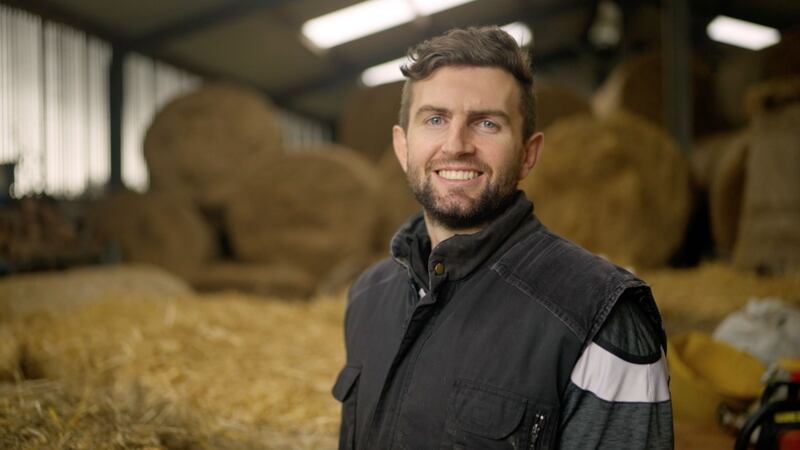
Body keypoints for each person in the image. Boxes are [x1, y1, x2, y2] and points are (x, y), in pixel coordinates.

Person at [332, 26, 673, 449]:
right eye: (435, 119)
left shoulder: (601, 319)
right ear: (403, 147)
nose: (456, 145)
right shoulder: (368, 296)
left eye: (487, 123)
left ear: (528, 153)